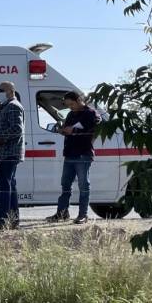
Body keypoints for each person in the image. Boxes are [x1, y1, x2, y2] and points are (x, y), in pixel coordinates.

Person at [47, 91, 100, 225]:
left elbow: (94, 131)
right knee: (65, 185)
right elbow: (66, 128)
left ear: (78, 100)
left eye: (71, 104)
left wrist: (74, 131)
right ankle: (62, 213)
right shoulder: (71, 114)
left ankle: (83, 215)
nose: (70, 107)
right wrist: (63, 130)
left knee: (83, 186)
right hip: (69, 153)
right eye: (68, 105)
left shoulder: (91, 114)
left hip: (83, 154)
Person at [0, 81, 25, 230]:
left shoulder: (14, 106)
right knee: (9, 185)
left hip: (9, 151)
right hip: (3, 152)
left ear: (11, 90)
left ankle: (1, 221)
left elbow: (17, 129)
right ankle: (13, 220)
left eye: (1, 89)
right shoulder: (4, 107)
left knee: (3, 185)